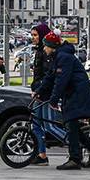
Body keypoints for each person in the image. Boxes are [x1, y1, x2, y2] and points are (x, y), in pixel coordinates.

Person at [36, 32, 90, 170]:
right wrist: (39, 91)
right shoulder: (58, 57)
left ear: (52, 46)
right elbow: (50, 77)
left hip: (77, 94)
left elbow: (61, 81)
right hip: (73, 93)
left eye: (46, 46)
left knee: (71, 123)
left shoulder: (64, 57)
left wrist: (53, 100)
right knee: (72, 125)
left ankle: (75, 159)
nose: (44, 49)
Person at [30, 22, 56, 166]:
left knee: (48, 125)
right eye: (32, 35)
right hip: (39, 92)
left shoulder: (46, 52)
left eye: (35, 35)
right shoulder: (39, 51)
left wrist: (38, 89)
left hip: (45, 93)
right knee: (36, 124)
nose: (33, 37)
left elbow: (47, 75)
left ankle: (75, 145)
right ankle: (41, 154)